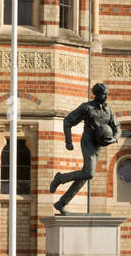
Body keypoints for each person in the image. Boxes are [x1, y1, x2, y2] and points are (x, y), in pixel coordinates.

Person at [49, 82, 121, 213]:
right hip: (88, 141)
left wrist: (115, 138)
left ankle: (61, 203)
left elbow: (117, 127)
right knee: (89, 173)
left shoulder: (109, 110)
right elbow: (68, 121)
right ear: (97, 94)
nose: (106, 96)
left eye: (107, 94)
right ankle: (60, 178)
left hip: (98, 144)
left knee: (86, 176)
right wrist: (68, 141)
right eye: (104, 94)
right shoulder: (87, 108)